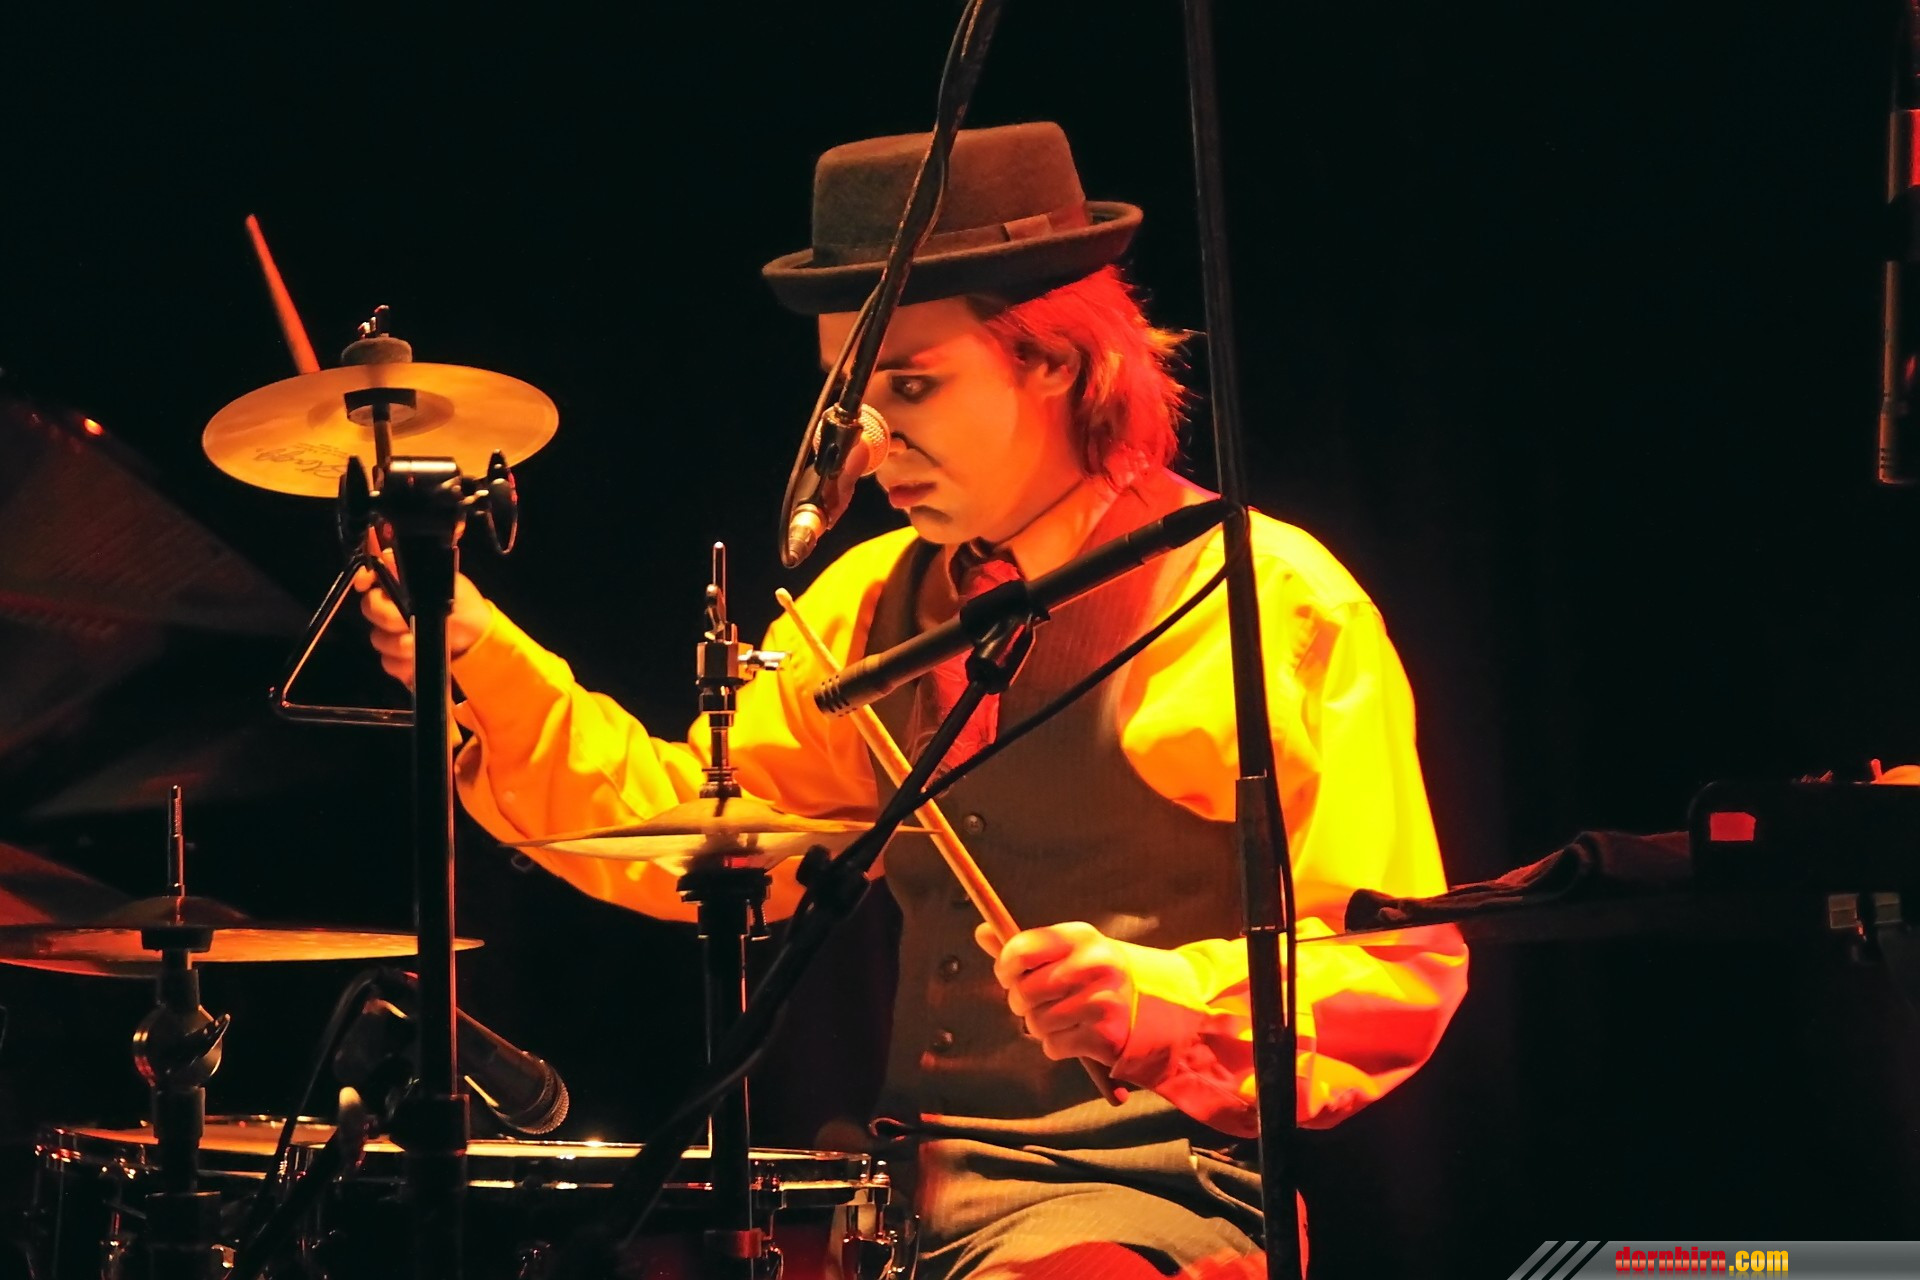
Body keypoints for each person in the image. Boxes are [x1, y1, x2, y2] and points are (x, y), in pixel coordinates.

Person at [358, 121, 1467, 1279]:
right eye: (847, 399)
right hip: (905, 1198)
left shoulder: (1258, 599)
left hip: (1148, 1200)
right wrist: (475, 648)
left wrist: (1162, 995)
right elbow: (697, 833)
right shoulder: (870, 601)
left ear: (1056, 359)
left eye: (912, 385)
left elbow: (1395, 962)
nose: (868, 442)